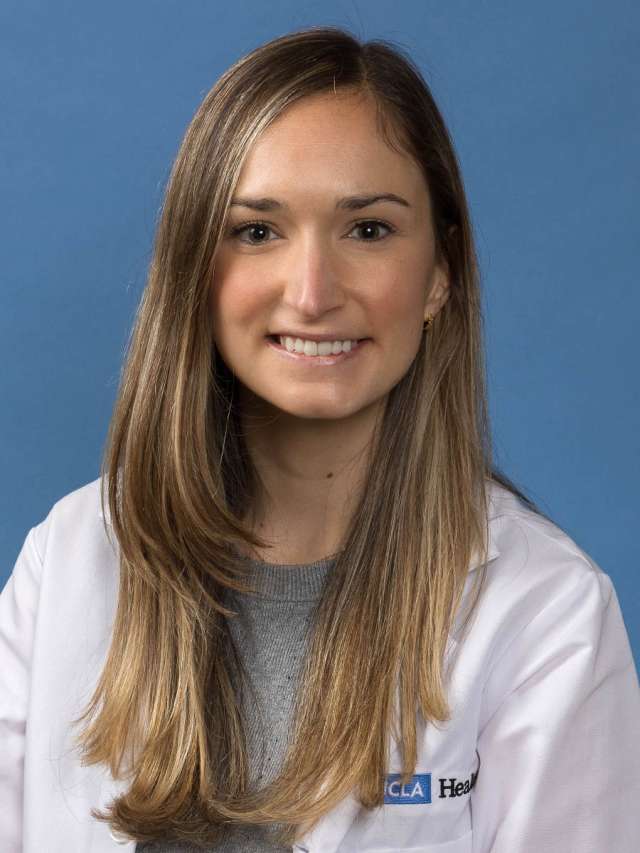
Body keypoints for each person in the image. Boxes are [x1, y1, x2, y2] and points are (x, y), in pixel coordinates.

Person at [1, 25, 639, 853]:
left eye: (367, 229)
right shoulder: (69, 563)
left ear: (439, 272)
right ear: (199, 266)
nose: (311, 293)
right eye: (258, 231)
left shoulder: (547, 613)